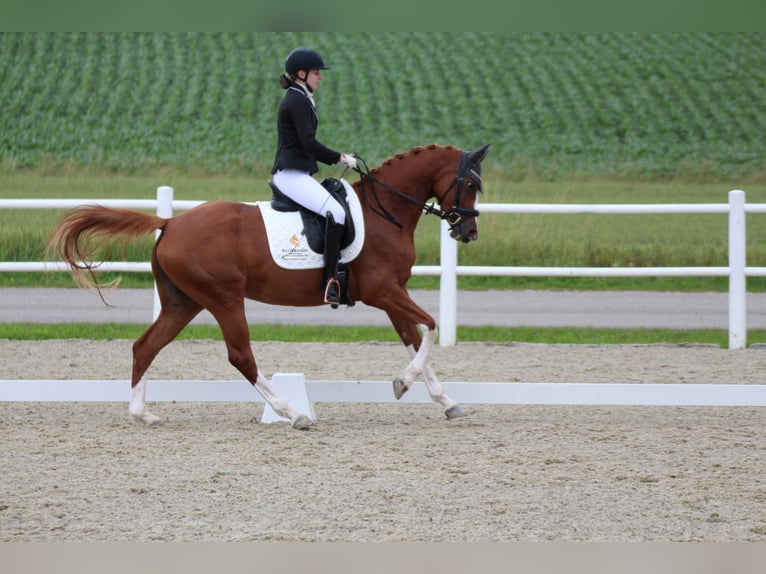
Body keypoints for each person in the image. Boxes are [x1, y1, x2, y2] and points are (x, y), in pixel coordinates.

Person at [271, 47, 357, 306]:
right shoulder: (296, 99)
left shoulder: (301, 96)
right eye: (316, 73)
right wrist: (339, 157)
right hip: (290, 175)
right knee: (338, 214)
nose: (320, 77)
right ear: (301, 73)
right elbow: (308, 142)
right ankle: (330, 280)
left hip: (298, 173)